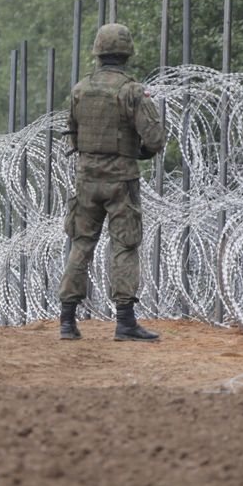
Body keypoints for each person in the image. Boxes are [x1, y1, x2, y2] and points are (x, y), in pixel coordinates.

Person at [57, 23, 166, 341]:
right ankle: (125, 322)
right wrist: (140, 152)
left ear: (98, 52)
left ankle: (67, 320)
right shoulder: (132, 90)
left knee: (81, 244)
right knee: (124, 246)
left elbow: (72, 132)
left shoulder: (80, 89)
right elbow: (155, 138)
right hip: (121, 178)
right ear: (126, 53)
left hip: (87, 177)